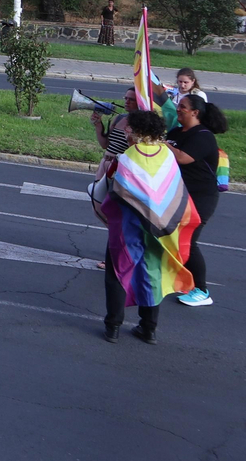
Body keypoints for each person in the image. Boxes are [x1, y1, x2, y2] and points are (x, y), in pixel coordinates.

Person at [95, 109, 198, 344]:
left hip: (129, 228)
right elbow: (173, 189)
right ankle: (148, 328)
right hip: (161, 228)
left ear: (138, 131)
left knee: (118, 272)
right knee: (153, 273)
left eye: (129, 128)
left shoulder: (128, 156)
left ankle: (113, 326)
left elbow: (117, 194)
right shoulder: (167, 154)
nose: (126, 131)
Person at [167, 94, 228, 307]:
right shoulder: (175, 132)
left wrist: (163, 145)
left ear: (195, 112)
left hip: (201, 198)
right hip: (179, 195)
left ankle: (202, 291)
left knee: (189, 241)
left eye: (183, 106)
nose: (178, 108)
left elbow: (183, 157)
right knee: (171, 238)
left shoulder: (203, 136)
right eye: (178, 105)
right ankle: (180, 280)